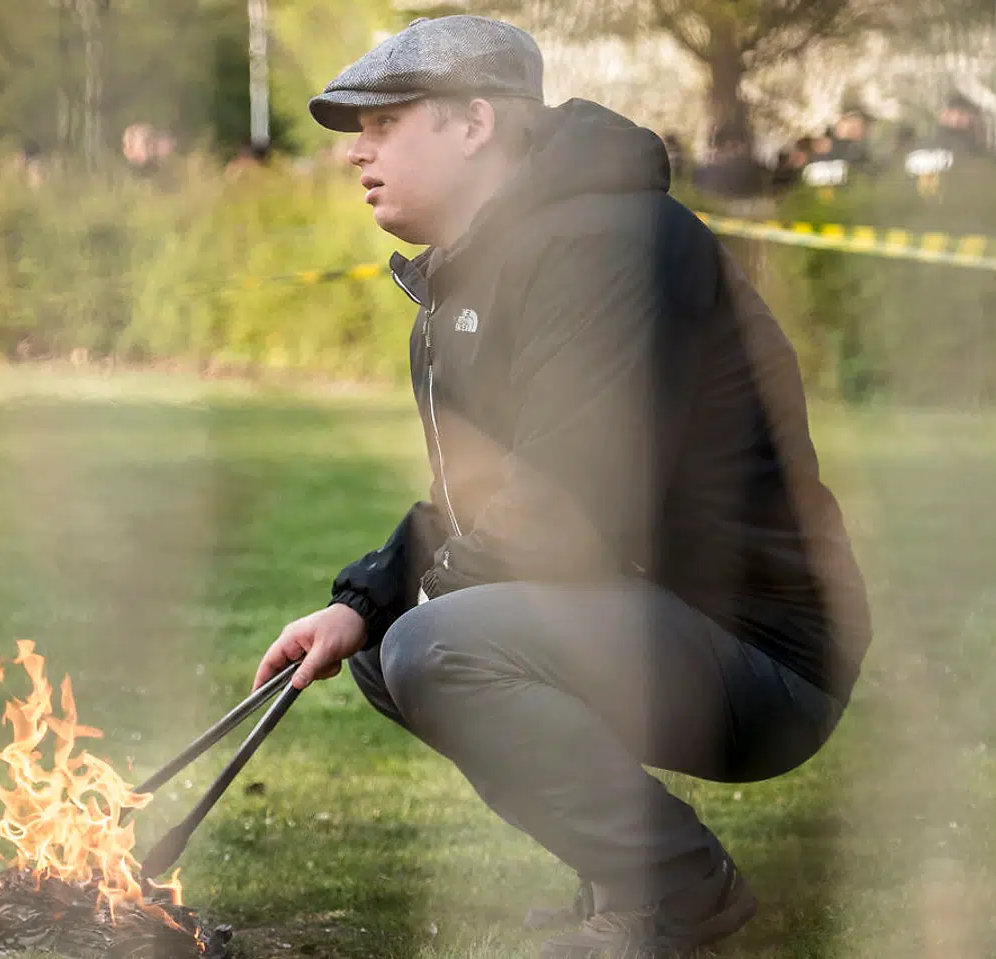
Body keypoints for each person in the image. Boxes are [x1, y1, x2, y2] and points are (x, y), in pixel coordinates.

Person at [251, 14, 872, 958]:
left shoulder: (607, 245)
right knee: (391, 646)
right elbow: (479, 497)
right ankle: (622, 881)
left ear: (473, 124)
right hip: (652, 618)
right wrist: (361, 602)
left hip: (766, 651)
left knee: (434, 649)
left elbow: (565, 501)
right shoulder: (475, 275)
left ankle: (670, 888)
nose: (357, 154)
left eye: (383, 124)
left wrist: (407, 615)